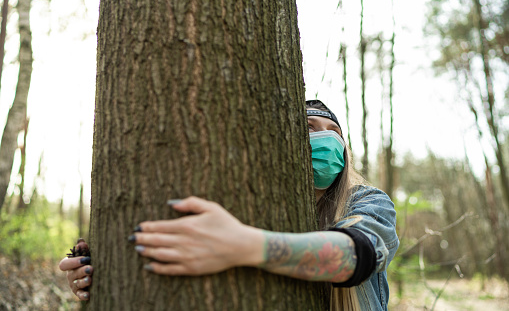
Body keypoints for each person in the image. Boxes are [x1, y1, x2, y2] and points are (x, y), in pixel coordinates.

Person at [59, 99, 399, 310]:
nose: (325, 138)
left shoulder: (369, 201)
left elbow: (356, 255)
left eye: (333, 131)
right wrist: (108, 266)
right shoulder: (258, 198)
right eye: (309, 127)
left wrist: (244, 245)